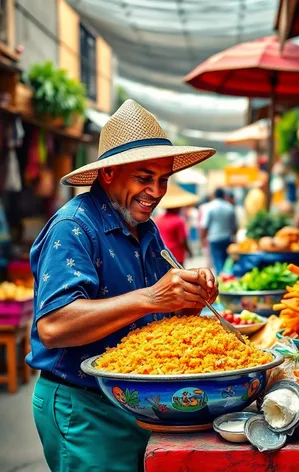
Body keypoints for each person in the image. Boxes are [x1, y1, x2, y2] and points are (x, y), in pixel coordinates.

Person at [27, 100, 218, 472]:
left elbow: (163, 310)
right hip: (83, 406)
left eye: (163, 179)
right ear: (110, 173)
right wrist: (152, 297)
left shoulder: (145, 228)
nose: (157, 191)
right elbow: (53, 327)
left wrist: (191, 295)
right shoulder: (74, 227)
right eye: (144, 178)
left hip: (133, 402)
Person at [201, 188, 237, 275]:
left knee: (217, 260)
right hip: (227, 237)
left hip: (214, 238)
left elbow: (205, 225)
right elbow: (234, 226)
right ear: (224, 195)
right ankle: (226, 278)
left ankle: (220, 279)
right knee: (226, 260)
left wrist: (203, 238)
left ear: (214, 195)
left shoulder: (209, 207)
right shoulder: (230, 207)